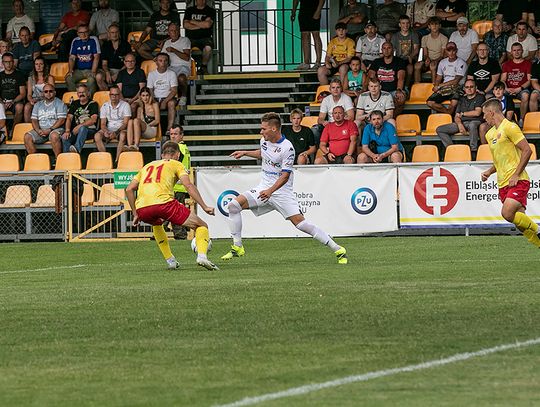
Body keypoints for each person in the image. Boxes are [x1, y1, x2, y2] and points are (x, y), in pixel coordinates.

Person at [221, 112, 348, 264]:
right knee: (233, 206)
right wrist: (245, 153)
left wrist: (270, 191)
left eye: (264, 129)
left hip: (281, 192)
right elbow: (263, 154)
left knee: (301, 224)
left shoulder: (287, 148)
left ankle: (338, 249)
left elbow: (285, 176)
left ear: (274, 129)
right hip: (264, 188)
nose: (261, 132)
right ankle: (237, 247)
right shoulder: (264, 141)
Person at [126, 140, 219, 270]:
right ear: (176, 154)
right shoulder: (176, 164)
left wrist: (135, 213)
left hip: (143, 208)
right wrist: (204, 206)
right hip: (164, 204)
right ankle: (202, 257)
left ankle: (171, 261)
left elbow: (129, 189)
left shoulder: (147, 166)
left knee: (157, 223)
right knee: (201, 225)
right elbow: (188, 185)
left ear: (162, 154)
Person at [480, 98, 540, 248]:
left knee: (507, 213)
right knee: (520, 223)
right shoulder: (490, 134)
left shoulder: (510, 127)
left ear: (491, 112)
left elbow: (527, 150)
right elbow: (499, 160)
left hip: (518, 180)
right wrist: (489, 171)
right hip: (502, 183)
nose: (483, 118)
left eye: (484, 114)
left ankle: (538, 230)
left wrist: (516, 174)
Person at [435, 79, 484, 154]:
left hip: (475, 121)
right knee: (440, 129)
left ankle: (473, 151)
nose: (469, 89)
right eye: (467, 87)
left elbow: (477, 113)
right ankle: (452, 150)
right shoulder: (461, 99)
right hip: (462, 122)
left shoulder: (480, 97)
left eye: (471, 87)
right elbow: (456, 116)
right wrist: (459, 124)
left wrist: (463, 114)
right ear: (464, 89)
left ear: (476, 88)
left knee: (472, 125)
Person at [24, 83, 66, 157]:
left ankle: (58, 160)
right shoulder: (38, 104)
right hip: (41, 130)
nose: (48, 93)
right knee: (27, 137)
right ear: (43, 93)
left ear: (55, 92)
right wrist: (37, 130)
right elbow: (34, 120)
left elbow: (61, 120)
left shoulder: (60, 103)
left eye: (51, 91)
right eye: (46, 91)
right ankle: (36, 161)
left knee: (54, 136)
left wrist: (49, 130)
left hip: (55, 129)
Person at [426, 41, 466, 115]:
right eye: (449, 50)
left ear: (456, 51)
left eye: (453, 50)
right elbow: (438, 78)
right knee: (430, 102)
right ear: (446, 51)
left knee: (454, 103)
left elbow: (456, 81)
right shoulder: (442, 62)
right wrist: (436, 87)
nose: (451, 53)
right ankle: (448, 112)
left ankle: (449, 113)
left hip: (457, 88)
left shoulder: (461, 62)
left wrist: (439, 86)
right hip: (444, 89)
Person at [368, 42, 407, 116]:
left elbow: (401, 77)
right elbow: (371, 76)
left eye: (389, 48)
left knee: (401, 98)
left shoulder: (399, 61)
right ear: (381, 50)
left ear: (393, 49)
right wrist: (375, 90)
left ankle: (390, 118)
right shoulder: (376, 62)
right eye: (384, 48)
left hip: (394, 90)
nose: (386, 50)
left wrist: (399, 90)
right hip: (379, 90)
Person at [94, 85, 131, 161]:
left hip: (121, 129)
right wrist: (106, 131)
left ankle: (117, 160)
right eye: (112, 94)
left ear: (119, 95)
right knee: (97, 136)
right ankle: (106, 160)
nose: (114, 96)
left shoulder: (125, 105)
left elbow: (125, 123)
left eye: (116, 94)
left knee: (123, 136)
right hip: (109, 128)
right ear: (109, 95)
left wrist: (116, 132)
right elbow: (103, 124)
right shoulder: (105, 106)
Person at [62, 83, 99, 153]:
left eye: (83, 92)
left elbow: (93, 120)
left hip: (89, 131)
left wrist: (79, 126)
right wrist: (67, 131)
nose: (81, 94)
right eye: (79, 92)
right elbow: (69, 118)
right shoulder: (74, 103)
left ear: (88, 93)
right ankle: (66, 157)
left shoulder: (93, 104)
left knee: (83, 128)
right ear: (77, 94)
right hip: (75, 132)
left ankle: (76, 149)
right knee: (65, 137)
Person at [66, 23, 100, 96]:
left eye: (85, 32)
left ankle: (89, 100)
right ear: (78, 33)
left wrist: (93, 71)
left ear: (89, 32)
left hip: (90, 69)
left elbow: (96, 57)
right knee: (69, 78)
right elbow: (72, 57)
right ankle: (76, 99)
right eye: (81, 32)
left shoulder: (93, 39)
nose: (83, 34)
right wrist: (70, 70)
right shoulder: (75, 41)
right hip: (79, 70)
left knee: (91, 80)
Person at [316, 78, 355, 143]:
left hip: (343, 124)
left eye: (338, 87)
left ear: (341, 89)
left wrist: (340, 122)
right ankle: (319, 150)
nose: (335, 90)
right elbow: (320, 119)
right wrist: (323, 122)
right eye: (333, 87)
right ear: (330, 89)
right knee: (315, 129)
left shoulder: (347, 98)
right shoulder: (326, 100)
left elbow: (351, 117)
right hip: (330, 125)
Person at [147, 52, 178, 134]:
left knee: (171, 104)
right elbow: (150, 90)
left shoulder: (172, 74)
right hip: (156, 98)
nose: (163, 63)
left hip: (168, 98)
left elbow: (174, 90)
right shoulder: (151, 74)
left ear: (168, 62)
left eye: (165, 61)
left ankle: (169, 129)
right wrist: (153, 100)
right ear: (156, 62)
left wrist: (165, 101)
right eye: (160, 60)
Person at [501, 42, 532, 125]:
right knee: (499, 93)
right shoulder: (506, 64)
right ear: (511, 52)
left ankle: (522, 120)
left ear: (522, 51)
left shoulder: (527, 64)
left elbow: (529, 80)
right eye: (514, 50)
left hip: (521, 89)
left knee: (525, 95)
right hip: (509, 89)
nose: (516, 52)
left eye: (518, 50)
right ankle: (502, 120)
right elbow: (503, 80)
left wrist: (520, 88)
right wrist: (506, 88)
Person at [162, 22, 191, 108]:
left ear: (179, 31)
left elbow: (186, 57)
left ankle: (184, 96)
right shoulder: (167, 42)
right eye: (171, 31)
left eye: (176, 30)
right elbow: (162, 56)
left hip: (183, 66)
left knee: (181, 78)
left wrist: (174, 50)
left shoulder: (185, 40)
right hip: (170, 67)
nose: (174, 33)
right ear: (168, 32)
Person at [170, 125, 191, 240]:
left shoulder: (177, 148)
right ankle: (179, 234)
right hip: (181, 185)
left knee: (173, 211)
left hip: (176, 185)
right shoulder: (185, 148)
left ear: (182, 135)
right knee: (175, 210)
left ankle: (180, 234)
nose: (173, 136)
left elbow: (170, 164)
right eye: (171, 134)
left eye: (175, 134)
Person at [183, 0, 216, 74]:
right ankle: (188, 69)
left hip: (205, 38)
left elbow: (207, 25)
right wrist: (201, 25)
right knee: (184, 48)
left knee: (208, 48)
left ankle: (203, 67)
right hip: (190, 38)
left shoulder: (210, 11)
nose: (201, 1)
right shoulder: (189, 10)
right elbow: (185, 25)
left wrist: (192, 21)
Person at [96, 23, 131, 91]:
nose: (114, 34)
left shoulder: (125, 44)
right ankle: (106, 93)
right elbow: (104, 64)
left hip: (122, 69)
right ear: (109, 34)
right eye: (112, 32)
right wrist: (107, 72)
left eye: (116, 32)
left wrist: (118, 73)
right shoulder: (106, 45)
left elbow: (128, 63)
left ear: (119, 33)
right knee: (98, 77)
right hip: (108, 69)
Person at [291, 0, 325, 70]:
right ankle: (306, 62)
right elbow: (295, 0)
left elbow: (322, 0)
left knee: (315, 34)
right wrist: (293, 11)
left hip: (314, 10)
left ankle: (318, 62)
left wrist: (318, 11)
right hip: (303, 11)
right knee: (304, 35)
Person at [414, 16, 448, 83]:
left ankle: (433, 86)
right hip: (428, 60)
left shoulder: (444, 38)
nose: (434, 26)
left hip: (438, 61)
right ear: (429, 26)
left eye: (436, 24)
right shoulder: (425, 38)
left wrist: (435, 61)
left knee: (433, 66)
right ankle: (417, 86)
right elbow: (425, 54)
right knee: (417, 66)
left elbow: (442, 55)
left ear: (440, 26)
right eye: (432, 24)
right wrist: (427, 59)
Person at [391, 15, 420, 87]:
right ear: (399, 25)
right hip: (398, 59)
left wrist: (411, 56)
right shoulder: (395, 36)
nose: (405, 25)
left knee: (410, 68)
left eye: (407, 23)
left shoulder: (414, 35)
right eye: (403, 23)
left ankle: (406, 87)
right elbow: (392, 50)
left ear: (410, 24)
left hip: (410, 58)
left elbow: (416, 49)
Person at [24, 56, 55, 123]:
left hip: (47, 100)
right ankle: (29, 127)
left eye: (41, 64)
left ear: (44, 65)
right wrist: (31, 100)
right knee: (27, 107)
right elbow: (29, 94)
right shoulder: (31, 78)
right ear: (34, 66)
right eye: (36, 64)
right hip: (35, 100)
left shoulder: (50, 78)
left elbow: (52, 93)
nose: (38, 66)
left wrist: (43, 100)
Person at [0, 52, 26, 129]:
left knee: (20, 107)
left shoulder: (19, 75)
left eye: (10, 61)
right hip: (2, 101)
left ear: (13, 62)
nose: (8, 64)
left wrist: (12, 101)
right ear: (2, 63)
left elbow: (23, 93)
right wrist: (2, 102)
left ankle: (14, 129)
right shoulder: (0, 75)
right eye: (6, 62)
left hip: (15, 101)